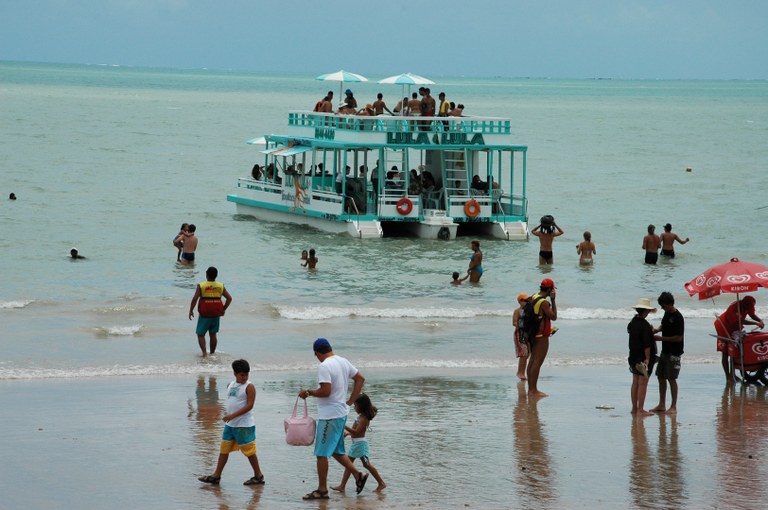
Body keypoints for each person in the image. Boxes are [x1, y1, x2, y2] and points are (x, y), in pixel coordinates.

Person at [299, 338, 368, 500]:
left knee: (321, 453)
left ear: (317, 352)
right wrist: (350, 401)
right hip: (340, 412)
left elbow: (325, 391)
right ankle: (358, 475)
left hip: (330, 415)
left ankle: (322, 490)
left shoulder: (324, 366)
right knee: (336, 451)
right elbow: (360, 379)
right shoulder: (342, 361)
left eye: (315, 354)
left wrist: (308, 392)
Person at [198, 359, 265, 486]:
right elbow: (231, 402)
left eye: (246, 374)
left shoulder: (249, 387)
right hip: (230, 424)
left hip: (244, 425)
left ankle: (258, 475)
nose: (244, 377)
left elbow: (250, 405)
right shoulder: (231, 385)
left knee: (249, 451)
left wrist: (232, 415)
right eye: (241, 375)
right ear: (235, 373)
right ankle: (216, 475)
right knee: (224, 449)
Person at [331, 394, 386, 493]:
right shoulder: (360, 416)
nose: (354, 407)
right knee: (354, 465)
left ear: (361, 406)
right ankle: (342, 486)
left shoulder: (363, 419)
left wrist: (344, 426)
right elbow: (355, 430)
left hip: (360, 445)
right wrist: (347, 433)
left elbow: (356, 432)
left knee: (363, 464)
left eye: (356, 406)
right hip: (356, 444)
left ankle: (381, 483)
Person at [714, 295, 764, 381]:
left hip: (735, 327)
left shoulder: (749, 305)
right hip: (723, 327)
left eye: (752, 306)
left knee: (735, 350)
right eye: (748, 306)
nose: (750, 308)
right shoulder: (734, 307)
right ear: (744, 304)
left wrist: (760, 320)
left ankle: (732, 374)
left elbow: (752, 315)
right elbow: (740, 321)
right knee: (726, 352)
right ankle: (728, 376)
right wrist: (756, 323)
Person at [651, 292, 684, 414]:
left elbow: (679, 338)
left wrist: (661, 339)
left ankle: (673, 406)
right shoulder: (667, 313)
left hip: (674, 352)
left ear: (670, 304)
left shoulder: (678, 317)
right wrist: (657, 330)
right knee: (660, 376)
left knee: (671, 378)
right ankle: (662, 404)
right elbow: (664, 325)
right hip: (665, 351)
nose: (662, 308)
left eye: (663, 306)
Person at [189, 266, 233, 357]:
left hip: (205, 313)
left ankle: (205, 353)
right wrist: (223, 309)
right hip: (216, 313)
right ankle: (212, 353)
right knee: (213, 334)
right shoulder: (220, 286)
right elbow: (229, 298)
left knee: (200, 334)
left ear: (206, 274)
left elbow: (194, 299)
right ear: (216, 276)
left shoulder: (201, 286)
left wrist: (191, 310)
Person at [527, 279, 557, 397]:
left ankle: (530, 389)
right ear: (549, 289)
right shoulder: (544, 302)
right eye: (552, 289)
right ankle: (533, 390)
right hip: (541, 336)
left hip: (533, 334)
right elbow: (554, 317)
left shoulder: (534, 296)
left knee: (532, 360)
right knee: (537, 363)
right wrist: (553, 300)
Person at [627, 298, 657, 416]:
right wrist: (648, 358)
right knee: (643, 383)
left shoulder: (633, 322)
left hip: (633, 356)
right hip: (643, 357)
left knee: (635, 382)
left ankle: (634, 408)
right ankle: (640, 410)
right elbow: (647, 344)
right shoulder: (645, 325)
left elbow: (631, 332)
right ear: (645, 311)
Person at [512, 293, 531, 380]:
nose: (527, 302)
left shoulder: (529, 310)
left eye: (528, 300)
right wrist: (522, 324)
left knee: (528, 353)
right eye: (525, 300)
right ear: (520, 301)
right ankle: (520, 372)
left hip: (527, 334)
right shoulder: (517, 311)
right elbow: (514, 323)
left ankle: (522, 372)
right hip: (519, 334)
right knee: (524, 353)